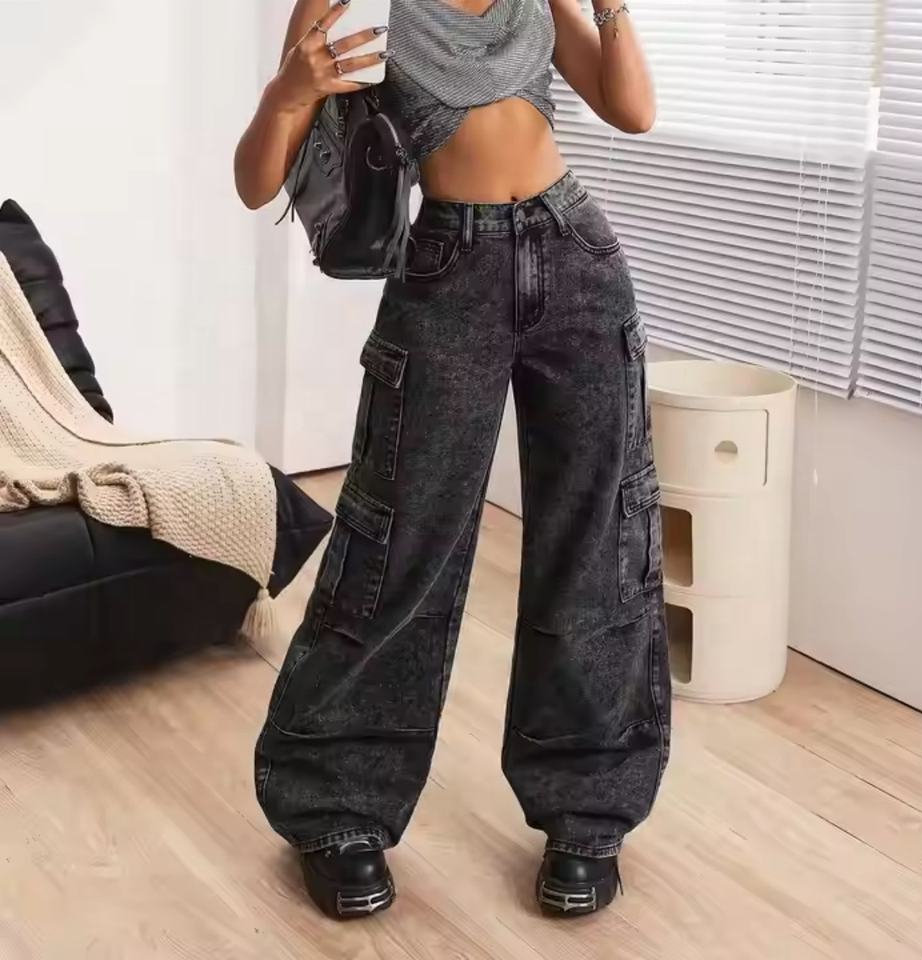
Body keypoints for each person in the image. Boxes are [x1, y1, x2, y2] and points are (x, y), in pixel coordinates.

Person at [235, 0, 668, 921]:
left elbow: (632, 111)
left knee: (596, 540)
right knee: (398, 544)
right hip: (446, 273)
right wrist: (290, 92)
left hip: (578, 258)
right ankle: (337, 808)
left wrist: (611, 7)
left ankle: (587, 811)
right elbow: (255, 180)